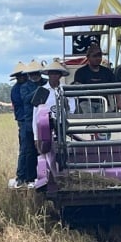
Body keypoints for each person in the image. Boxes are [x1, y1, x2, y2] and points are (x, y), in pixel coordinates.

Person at [16, 59, 47, 188]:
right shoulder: (24, 87)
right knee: (29, 151)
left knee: (45, 150)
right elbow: (26, 99)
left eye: (36, 73)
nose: (34, 75)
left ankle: (44, 177)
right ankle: (28, 177)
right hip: (30, 121)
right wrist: (40, 90)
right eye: (32, 73)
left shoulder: (46, 83)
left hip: (45, 121)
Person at [32, 58, 72, 139]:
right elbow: (36, 115)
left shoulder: (66, 90)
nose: (54, 76)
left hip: (64, 126)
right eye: (52, 73)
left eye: (56, 73)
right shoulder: (42, 91)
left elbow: (72, 109)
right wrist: (36, 137)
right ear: (48, 75)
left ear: (60, 76)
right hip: (46, 127)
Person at [73, 43, 117, 113]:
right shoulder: (80, 72)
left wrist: (120, 104)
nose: (98, 58)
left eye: (99, 56)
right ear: (88, 57)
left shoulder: (107, 72)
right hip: (85, 103)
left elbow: (117, 88)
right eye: (94, 56)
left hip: (103, 103)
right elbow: (77, 89)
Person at [9, 61, 28, 189]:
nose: (22, 77)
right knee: (25, 149)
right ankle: (21, 176)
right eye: (19, 76)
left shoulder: (26, 86)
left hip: (29, 119)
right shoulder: (16, 89)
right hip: (23, 121)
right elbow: (23, 102)